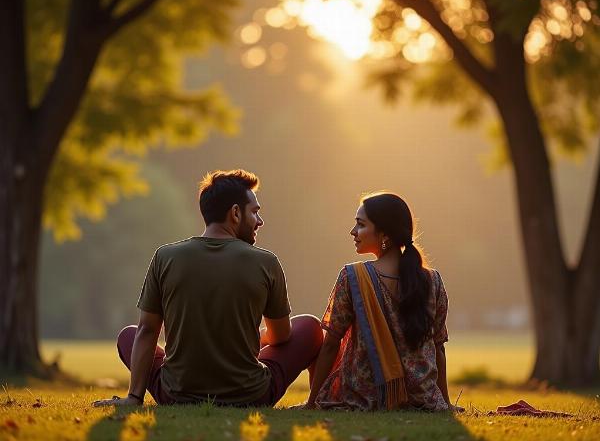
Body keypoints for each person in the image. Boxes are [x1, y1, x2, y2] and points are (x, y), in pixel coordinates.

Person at [93, 169, 323, 408]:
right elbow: (282, 336)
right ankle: (312, 401)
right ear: (235, 213)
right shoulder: (266, 262)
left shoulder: (165, 256)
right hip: (251, 396)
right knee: (309, 326)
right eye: (255, 212)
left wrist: (134, 398)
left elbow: (147, 330)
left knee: (129, 335)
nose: (260, 221)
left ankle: (136, 396)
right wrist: (258, 337)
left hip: (175, 394)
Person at [302, 192, 461, 412]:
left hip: (366, 396)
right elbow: (438, 347)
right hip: (421, 396)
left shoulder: (353, 277)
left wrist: (311, 403)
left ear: (384, 234)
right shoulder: (432, 280)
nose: (353, 232)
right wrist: (443, 402)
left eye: (360, 225)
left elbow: (331, 343)